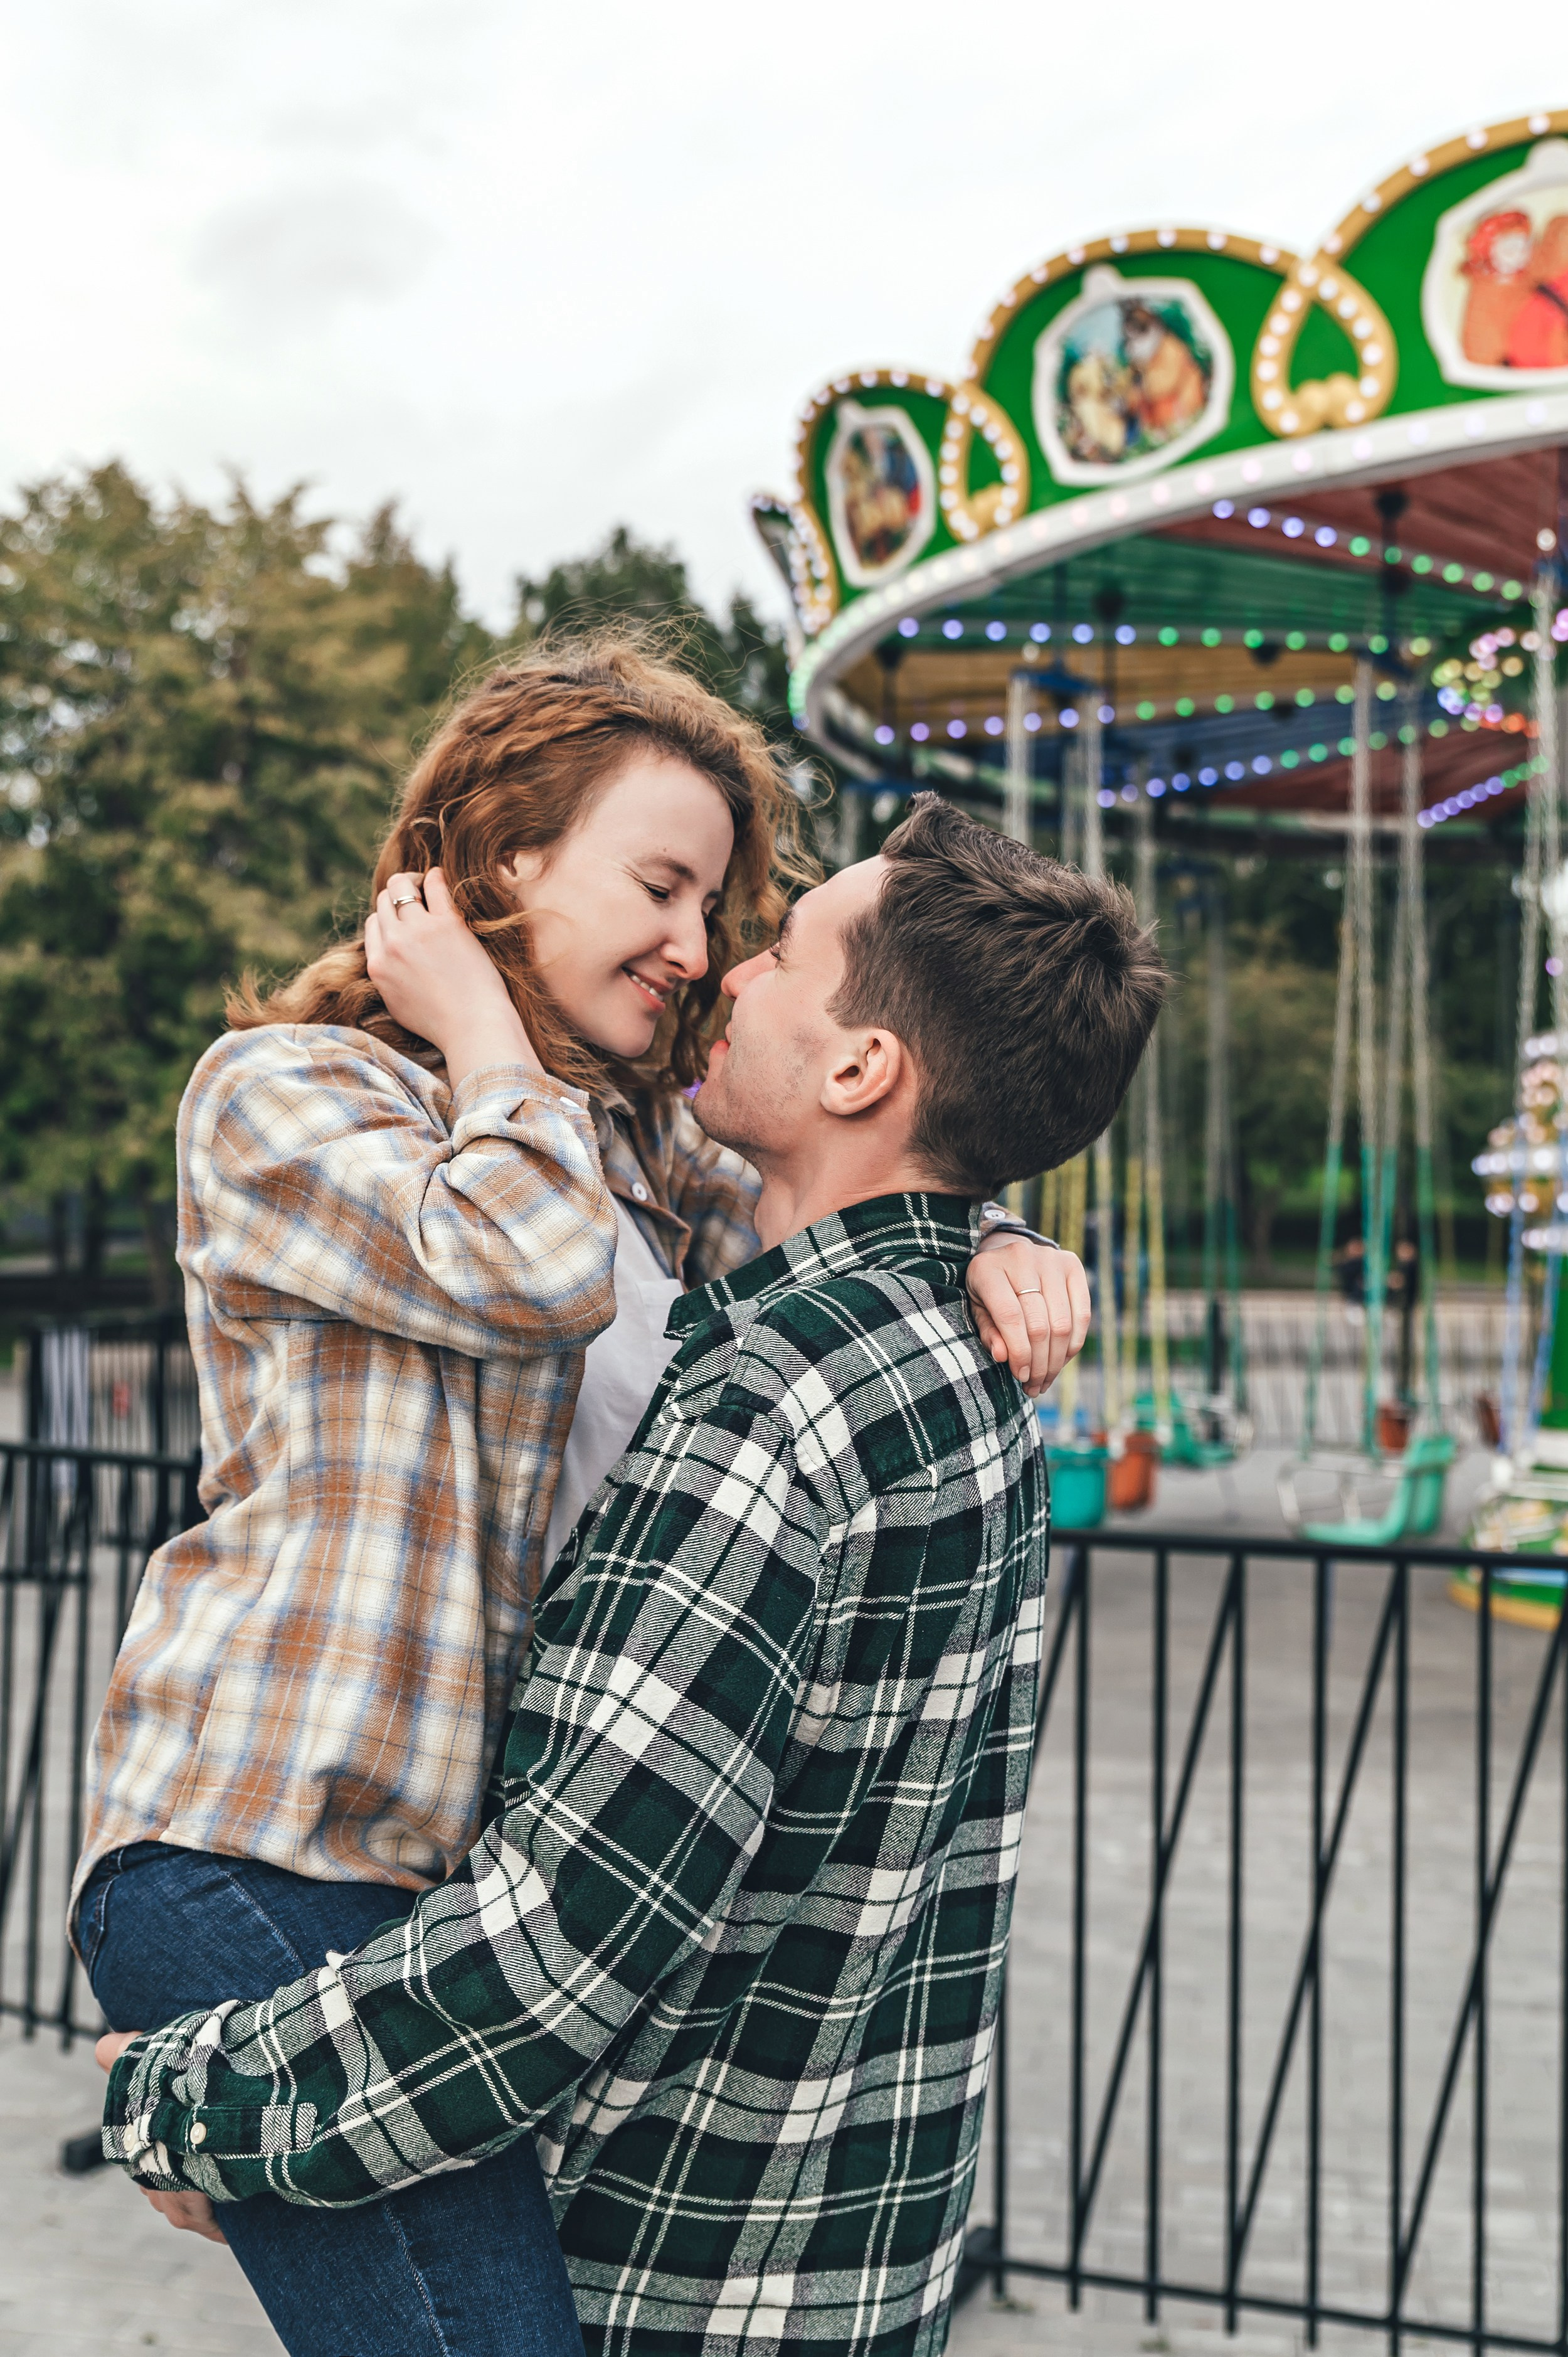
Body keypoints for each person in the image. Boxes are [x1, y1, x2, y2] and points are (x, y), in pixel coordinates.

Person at [74, 644, 1083, 2357]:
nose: (696, 945)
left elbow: (847, 1180)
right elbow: (526, 1267)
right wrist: (480, 1025)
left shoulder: (619, 1145)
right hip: (266, 1840)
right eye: (661, 884)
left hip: (446, 1905)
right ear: (503, 857)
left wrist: (990, 1233)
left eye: (716, 903)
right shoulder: (292, 1098)